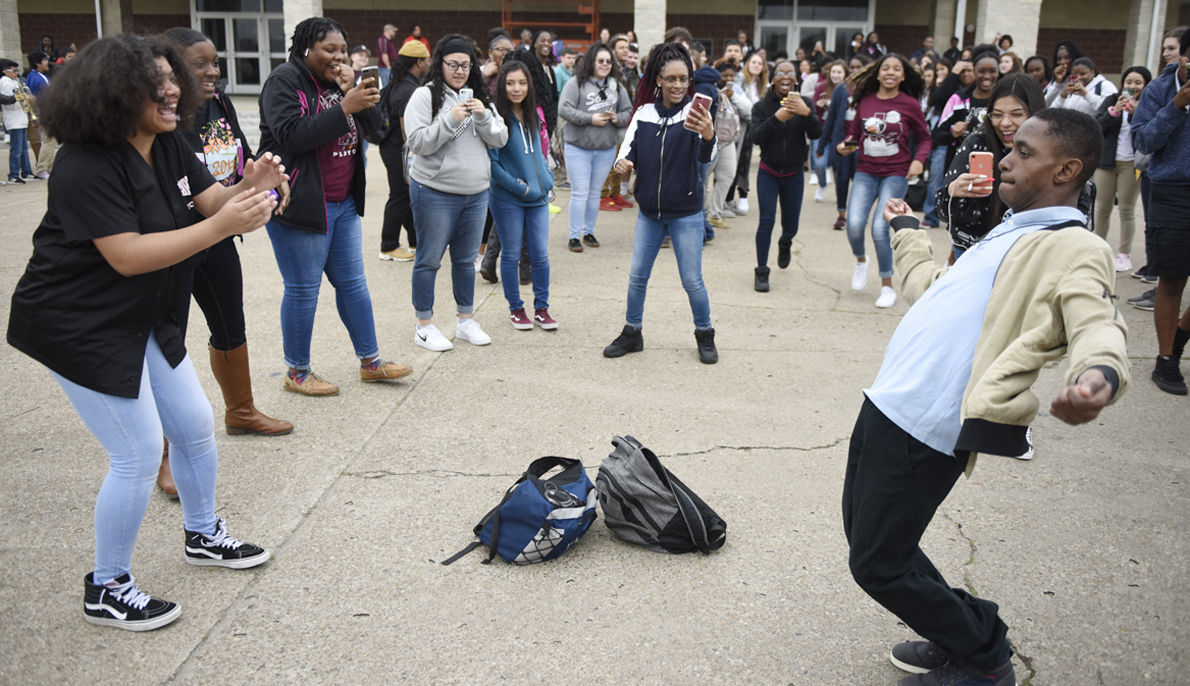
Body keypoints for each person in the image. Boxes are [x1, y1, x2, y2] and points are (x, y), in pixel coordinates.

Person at [7, 33, 282, 632]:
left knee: (193, 424)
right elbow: (128, 255)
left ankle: (204, 534)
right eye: (153, 81)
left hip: (143, 315)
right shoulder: (84, 164)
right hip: (78, 322)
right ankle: (106, 587)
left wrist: (251, 189)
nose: (172, 88)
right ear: (111, 92)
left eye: (172, 77)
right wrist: (223, 224)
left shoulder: (171, 143)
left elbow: (213, 204)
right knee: (134, 452)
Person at [845, 107, 1128, 686]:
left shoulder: (1073, 246)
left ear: (1067, 169)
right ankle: (963, 632)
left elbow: (1096, 316)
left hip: (929, 423)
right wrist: (907, 235)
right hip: (891, 401)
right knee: (877, 544)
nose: (1005, 158)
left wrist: (1100, 374)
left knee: (879, 562)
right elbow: (934, 296)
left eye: (1024, 151)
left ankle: (984, 656)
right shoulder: (1011, 228)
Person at [259, 16, 413, 394]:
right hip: (302, 203)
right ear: (306, 49)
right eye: (329, 50)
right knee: (302, 289)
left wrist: (357, 99)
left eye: (343, 50)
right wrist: (344, 106)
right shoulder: (284, 81)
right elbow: (292, 136)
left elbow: (379, 132)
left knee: (353, 285)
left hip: (342, 202)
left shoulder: (342, 84)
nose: (339, 57)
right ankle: (297, 372)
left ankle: (371, 362)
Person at [163, 26, 294, 444]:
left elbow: (239, 155)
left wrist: (264, 178)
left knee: (229, 324)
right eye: (198, 63)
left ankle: (241, 411)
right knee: (166, 341)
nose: (212, 71)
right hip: (170, 242)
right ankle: (163, 449)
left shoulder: (217, 104)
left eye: (214, 62)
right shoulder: (161, 116)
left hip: (218, 231)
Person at [605, 42, 718, 364]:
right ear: (658, 80)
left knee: (692, 280)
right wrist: (623, 164)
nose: (679, 85)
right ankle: (632, 332)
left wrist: (709, 135)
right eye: (671, 79)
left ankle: (705, 334)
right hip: (649, 214)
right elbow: (626, 152)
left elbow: (704, 157)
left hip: (686, 214)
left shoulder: (695, 115)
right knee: (637, 276)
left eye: (684, 79)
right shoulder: (644, 114)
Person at [404, 34, 509, 352]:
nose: (460, 70)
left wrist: (483, 117)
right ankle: (424, 325)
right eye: (453, 64)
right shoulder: (424, 96)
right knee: (429, 260)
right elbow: (418, 142)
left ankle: (465, 320)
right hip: (435, 191)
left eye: (466, 65)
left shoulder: (480, 97)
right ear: (441, 64)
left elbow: (500, 138)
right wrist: (451, 119)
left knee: (465, 262)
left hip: (476, 193)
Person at [836, 53, 930, 309]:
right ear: (877, 74)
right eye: (885, 68)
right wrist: (845, 146)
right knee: (854, 224)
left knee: (880, 228)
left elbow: (925, 138)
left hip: (896, 173)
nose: (890, 72)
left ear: (902, 75)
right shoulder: (865, 102)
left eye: (896, 69)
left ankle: (887, 286)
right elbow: (854, 135)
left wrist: (919, 160)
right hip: (866, 171)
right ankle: (860, 260)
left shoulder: (909, 104)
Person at [1131, 29, 1190, 395]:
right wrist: (1177, 107)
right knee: (1172, 278)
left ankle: (1181, 334)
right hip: (1171, 191)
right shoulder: (1160, 90)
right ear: (1181, 57)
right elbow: (1144, 140)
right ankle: (1166, 358)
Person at [936, 74, 1045, 257]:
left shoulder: (1053, 149)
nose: (1005, 123)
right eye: (997, 114)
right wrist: (952, 192)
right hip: (975, 250)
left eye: (1017, 114)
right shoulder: (977, 144)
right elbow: (942, 210)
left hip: (1029, 254)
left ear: (1035, 113)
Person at [488, 60, 557, 330]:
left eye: (522, 82)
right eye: (510, 83)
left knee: (540, 255)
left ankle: (542, 308)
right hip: (509, 199)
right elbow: (493, 165)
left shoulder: (533, 115)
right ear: (502, 86)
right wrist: (521, 188)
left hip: (539, 198)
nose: (517, 89)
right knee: (511, 254)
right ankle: (516, 309)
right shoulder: (495, 117)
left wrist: (547, 181)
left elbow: (540, 153)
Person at [749, 59, 821, 291]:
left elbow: (817, 132)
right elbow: (756, 137)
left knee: (791, 225)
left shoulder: (805, 103)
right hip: (768, 171)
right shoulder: (761, 106)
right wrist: (777, 118)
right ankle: (761, 271)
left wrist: (807, 113)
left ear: (796, 79)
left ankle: (786, 241)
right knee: (766, 221)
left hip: (794, 174)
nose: (786, 76)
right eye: (780, 72)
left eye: (790, 72)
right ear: (773, 79)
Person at [557, 41, 632, 252]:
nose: (605, 64)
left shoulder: (616, 86)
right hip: (578, 147)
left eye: (608, 61)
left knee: (594, 193)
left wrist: (618, 118)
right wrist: (590, 118)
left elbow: (628, 111)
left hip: (605, 148)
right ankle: (574, 236)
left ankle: (588, 232)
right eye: (601, 60)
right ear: (591, 61)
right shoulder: (576, 83)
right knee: (580, 192)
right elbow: (564, 108)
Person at [1093, 66, 1152, 273]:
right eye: (1129, 82)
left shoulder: (1148, 104)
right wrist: (1115, 112)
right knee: (1101, 208)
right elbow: (1098, 127)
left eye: (1138, 83)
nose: (1132, 86)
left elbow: (1150, 132)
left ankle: (1124, 254)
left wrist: (1137, 114)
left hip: (1131, 164)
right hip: (1106, 163)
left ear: (1145, 85)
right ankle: (1097, 250)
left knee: (1127, 209)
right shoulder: (1111, 100)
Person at [377, 39, 431, 263]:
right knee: (399, 195)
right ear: (419, 62)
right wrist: (417, 156)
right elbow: (406, 129)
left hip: (392, 148)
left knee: (407, 195)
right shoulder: (408, 89)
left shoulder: (399, 83)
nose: (429, 63)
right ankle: (388, 245)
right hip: (399, 150)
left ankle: (415, 241)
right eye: (427, 60)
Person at [818, 54, 870, 232]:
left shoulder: (870, 90)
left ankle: (856, 214)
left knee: (859, 180)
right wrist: (821, 145)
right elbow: (831, 119)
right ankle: (841, 213)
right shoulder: (842, 89)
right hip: (842, 141)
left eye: (859, 67)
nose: (855, 70)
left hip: (860, 141)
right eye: (853, 67)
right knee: (841, 178)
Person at [706, 62, 750, 230]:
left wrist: (733, 96)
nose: (729, 79)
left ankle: (715, 213)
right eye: (725, 76)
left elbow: (749, 110)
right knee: (704, 177)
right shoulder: (709, 89)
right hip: (711, 139)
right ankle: (702, 213)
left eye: (732, 76)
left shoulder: (736, 91)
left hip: (728, 139)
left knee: (728, 174)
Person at [726, 51, 770, 215]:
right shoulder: (740, 79)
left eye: (759, 63)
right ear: (747, 64)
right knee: (735, 162)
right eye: (753, 62)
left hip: (754, 127)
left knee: (744, 161)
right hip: (739, 127)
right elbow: (738, 103)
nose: (756, 65)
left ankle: (741, 195)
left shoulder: (762, 84)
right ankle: (728, 199)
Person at [0, 59, 35, 183]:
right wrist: (22, 98)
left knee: (24, 149)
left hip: (21, 118)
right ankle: (13, 174)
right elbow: (8, 102)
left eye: (17, 70)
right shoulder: (5, 82)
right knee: (16, 149)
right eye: (14, 71)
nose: (17, 73)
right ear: (5, 71)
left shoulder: (15, 81)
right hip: (14, 119)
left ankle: (26, 171)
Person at [25, 50, 56, 178]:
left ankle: (47, 166)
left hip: (47, 110)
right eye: (44, 60)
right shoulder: (35, 78)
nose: (47, 63)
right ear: (38, 63)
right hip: (44, 111)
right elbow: (36, 98)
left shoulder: (39, 76)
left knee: (52, 140)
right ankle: (42, 167)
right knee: (50, 140)